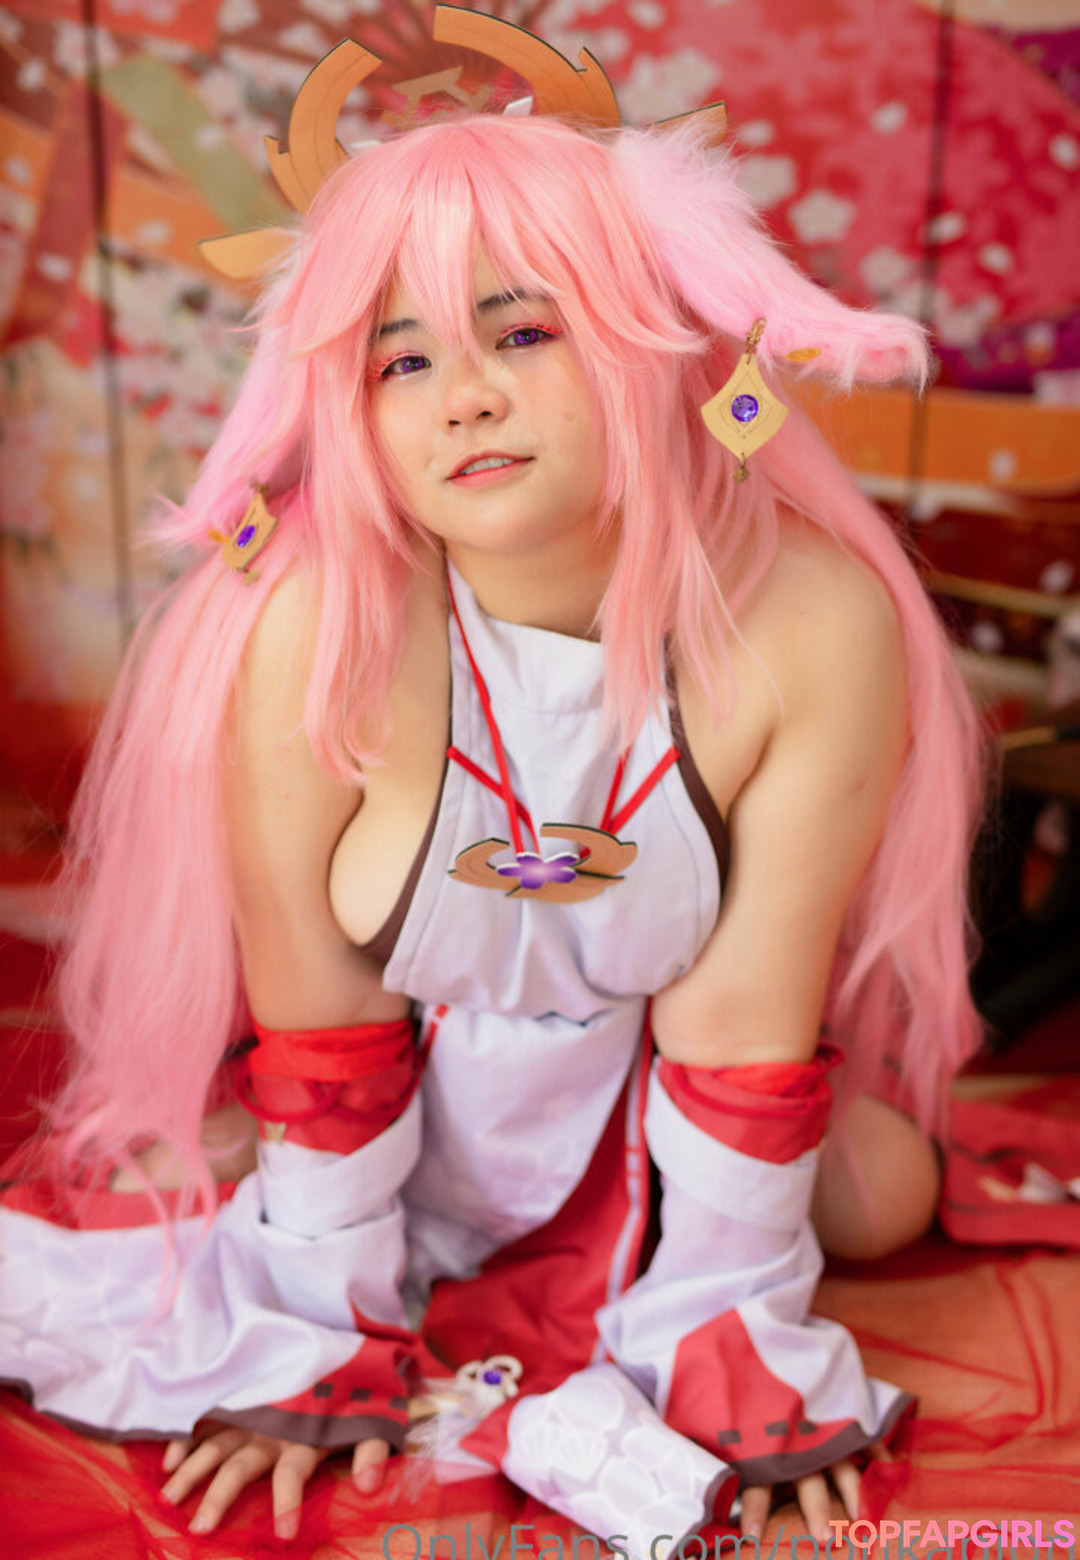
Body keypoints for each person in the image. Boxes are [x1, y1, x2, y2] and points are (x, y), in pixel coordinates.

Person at [0, 38, 983, 1554]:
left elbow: (744, 1021)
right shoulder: (309, 629)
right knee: (180, 1208)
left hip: (665, 1094)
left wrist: (733, 1348)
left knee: (880, 1201)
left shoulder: (814, 625)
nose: (463, 399)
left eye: (523, 333)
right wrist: (315, 1339)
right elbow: (318, 1008)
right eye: (402, 361)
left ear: (653, 338)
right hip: (395, 1089)